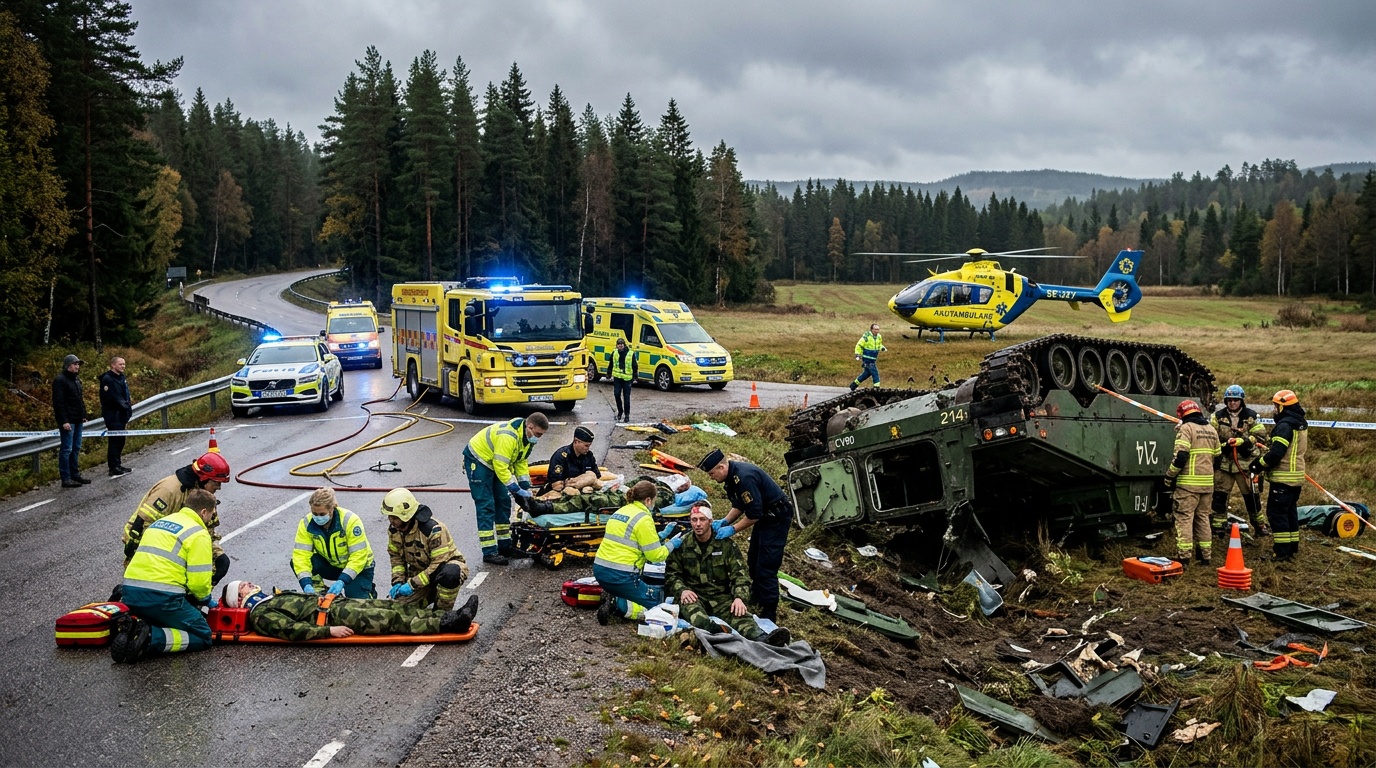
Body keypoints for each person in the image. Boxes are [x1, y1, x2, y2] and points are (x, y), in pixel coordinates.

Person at [110, 489, 219, 663]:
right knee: (203, 634)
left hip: (130, 594)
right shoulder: (198, 534)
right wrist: (205, 600)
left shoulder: (160, 523)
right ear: (204, 512)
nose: (211, 518)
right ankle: (151, 638)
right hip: (163, 599)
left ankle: (136, 628)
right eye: (211, 514)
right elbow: (198, 583)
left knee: (164, 619)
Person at [666, 503, 791, 646]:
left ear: (710, 521)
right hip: (693, 596)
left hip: (721, 597)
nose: (698, 524)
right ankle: (720, 633)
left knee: (741, 617)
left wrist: (739, 598)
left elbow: (740, 575)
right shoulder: (682, 544)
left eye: (702, 519)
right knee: (698, 621)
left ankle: (765, 640)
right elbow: (671, 574)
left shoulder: (726, 545)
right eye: (694, 520)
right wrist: (682, 590)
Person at [697, 448, 793, 621]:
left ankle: (769, 611)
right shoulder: (731, 478)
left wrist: (733, 529)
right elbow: (740, 504)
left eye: (712, 473)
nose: (711, 477)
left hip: (776, 516)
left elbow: (754, 514)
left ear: (721, 467)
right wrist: (725, 521)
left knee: (766, 564)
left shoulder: (744, 477)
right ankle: (757, 596)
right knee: (753, 558)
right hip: (764, 516)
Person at [220, 580, 478, 642]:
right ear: (239, 599)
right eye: (243, 586)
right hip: (333, 617)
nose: (250, 584)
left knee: (393, 607)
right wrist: (328, 631)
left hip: (338, 605)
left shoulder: (271, 598)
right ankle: (448, 624)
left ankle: (452, 616)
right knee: (391, 619)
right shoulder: (260, 614)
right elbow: (291, 630)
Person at [123, 452, 232, 585]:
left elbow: (206, 533)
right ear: (204, 479)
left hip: (176, 552)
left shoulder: (204, 497)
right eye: (216, 483)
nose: (219, 487)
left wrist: (218, 555)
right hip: (149, 553)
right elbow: (142, 527)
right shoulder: (169, 491)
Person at [464, 412, 548, 564]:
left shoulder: (526, 438)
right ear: (530, 426)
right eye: (537, 434)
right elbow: (501, 466)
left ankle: (505, 545)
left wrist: (525, 487)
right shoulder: (508, 436)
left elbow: (520, 461)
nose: (538, 438)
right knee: (486, 505)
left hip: (494, 463)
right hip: (479, 461)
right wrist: (515, 488)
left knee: (503, 501)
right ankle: (489, 552)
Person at [593, 480, 681, 624]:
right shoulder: (643, 518)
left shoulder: (620, 512)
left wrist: (661, 536)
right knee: (656, 604)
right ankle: (619, 604)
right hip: (621, 576)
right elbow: (655, 556)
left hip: (600, 571)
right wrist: (672, 544)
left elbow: (633, 542)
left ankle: (616, 594)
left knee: (637, 592)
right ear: (648, 500)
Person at [382, 487, 469, 611]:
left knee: (450, 574)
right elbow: (396, 558)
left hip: (443, 570)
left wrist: (412, 585)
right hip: (420, 574)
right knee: (398, 609)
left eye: (394, 518)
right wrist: (398, 581)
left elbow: (438, 565)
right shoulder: (394, 532)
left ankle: (441, 612)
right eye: (389, 517)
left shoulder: (433, 530)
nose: (391, 521)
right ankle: (430, 595)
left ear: (406, 516)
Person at [1251, 389, 1308, 562]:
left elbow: (1276, 454)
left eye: (1276, 406)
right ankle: (1292, 548)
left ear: (1283, 407)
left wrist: (1258, 465)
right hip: (1296, 478)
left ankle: (1281, 552)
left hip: (1283, 478)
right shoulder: (1300, 423)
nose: (1274, 410)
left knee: (1277, 514)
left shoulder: (1285, 425)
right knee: (1290, 512)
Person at [291, 487, 376, 598]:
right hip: (333, 565)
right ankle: (318, 591)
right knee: (297, 562)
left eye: (322, 514)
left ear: (332, 509)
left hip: (359, 568)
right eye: (314, 513)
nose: (318, 518)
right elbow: (301, 555)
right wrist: (306, 584)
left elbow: (358, 556)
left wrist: (342, 581)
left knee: (355, 600)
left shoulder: (350, 521)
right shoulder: (306, 523)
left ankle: (367, 590)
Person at [1165, 400, 1221, 565]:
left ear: (1182, 415)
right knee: (1203, 518)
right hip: (1207, 485)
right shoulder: (1211, 429)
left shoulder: (1186, 428)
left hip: (1188, 486)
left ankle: (1184, 557)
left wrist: (1169, 476)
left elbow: (1181, 457)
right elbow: (1218, 459)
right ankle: (1205, 557)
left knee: (1184, 518)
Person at [1209, 384, 1268, 536]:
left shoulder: (1251, 416)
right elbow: (1212, 437)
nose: (1232, 403)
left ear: (1241, 401)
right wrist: (1224, 445)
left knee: (1252, 497)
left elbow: (1261, 436)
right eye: (1229, 400)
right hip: (1224, 465)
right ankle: (1218, 527)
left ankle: (1260, 526)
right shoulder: (1217, 416)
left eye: (1235, 400)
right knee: (1219, 496)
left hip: (1245, 465)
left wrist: (1244, 441)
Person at [52, 353, 89, 488]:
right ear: (68, 365)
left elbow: (79, 399)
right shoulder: (60, 380)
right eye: (75, 364)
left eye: (78, 364)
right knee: (67, 449)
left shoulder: (76, 380)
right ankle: (66, 478)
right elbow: (58, 403)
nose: (77, 366)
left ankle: (75, 474)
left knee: (76, 447)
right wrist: (64, 421)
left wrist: (83, 414)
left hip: (77, 419)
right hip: (68, 420)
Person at [99, 356, 134, 476]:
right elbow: (113, 398)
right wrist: (125, 406)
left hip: (122, 414)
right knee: (114, 441)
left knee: (121, 440)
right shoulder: (107, 379)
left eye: (124, 364)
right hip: (113, 415)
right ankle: (113, 467)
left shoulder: (121, 377)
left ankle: (118, 464)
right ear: (113, 365)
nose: (123, 366)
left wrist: (127, 408)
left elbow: (125, 394)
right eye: (120, 364)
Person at [545, 426, 599, 491]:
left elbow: (597, 476)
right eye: (586, 445)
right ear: (576, 441)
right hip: (560, 493)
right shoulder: (561, 456)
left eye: (589, 446)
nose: (588, 448)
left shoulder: (589, 456)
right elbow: (556, 485)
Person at [850, 323, 887, 391]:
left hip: (873, 359)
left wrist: (882, 348)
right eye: (875, 329)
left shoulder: (879, 336)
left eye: (878, 329)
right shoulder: (866, 336)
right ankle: (876, 387)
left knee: (867, 373)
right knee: (874, 372)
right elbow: (859, 345)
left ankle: (854, 384)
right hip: (867, 358)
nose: (877, 331)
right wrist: (857, 354)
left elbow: (879, 344)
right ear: (871, 329)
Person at [609, 337, 636, 423]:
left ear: (624, 345)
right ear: (616, 345)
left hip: (627, 379)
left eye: (621, 344)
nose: (620, 346)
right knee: (617, 394)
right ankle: (620, 411)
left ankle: (627, 415)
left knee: (626, 397)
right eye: (619, 344)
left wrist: (635, 376)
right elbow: (611, 364)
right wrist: (608, 373)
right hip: (617, 378)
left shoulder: (630, 353)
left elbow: (634, 365)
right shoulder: (614, 353)